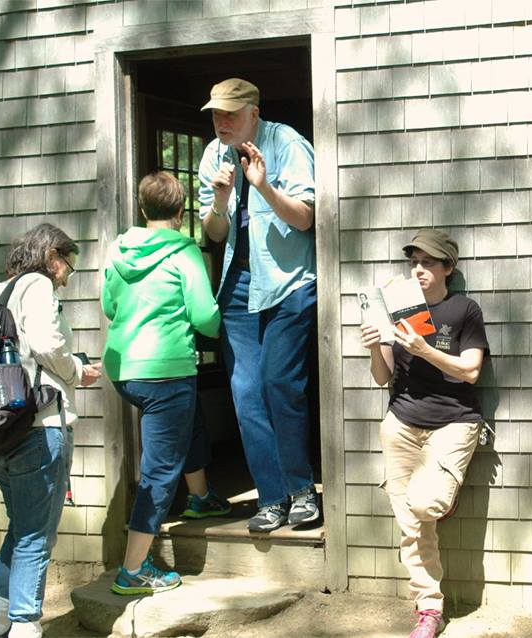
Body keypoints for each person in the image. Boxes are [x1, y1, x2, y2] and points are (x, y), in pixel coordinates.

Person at [197, 77, 320, 531]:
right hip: (239, 284)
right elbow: (214, 233)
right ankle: (271, 498)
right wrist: (221, 199)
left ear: (254, 111)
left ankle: (301, 490)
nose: (221, 122)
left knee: (280, 385)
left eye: (229, 113)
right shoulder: (214, 154)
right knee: (246, 394)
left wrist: (264, 187)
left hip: (288, 281)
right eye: (215, 114)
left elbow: (306, 219)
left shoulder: (287, 143)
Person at [101, 171, 228, 595]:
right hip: (166, 370)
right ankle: (133, 569)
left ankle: (200, 497)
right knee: (159, 469)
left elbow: (107, 305)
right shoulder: (184, 251)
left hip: (125, 370)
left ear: (142, 209)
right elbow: (206, 318)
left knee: (184, 425)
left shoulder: (117, 250)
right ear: (180, 210)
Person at [359, 229, 489, 638]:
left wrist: (425, 349)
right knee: (412, 527)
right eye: (414, 262)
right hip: (401, 422)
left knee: (424, 504)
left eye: (429, 263)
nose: (419, 270)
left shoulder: (463, 310)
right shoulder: (397, 309)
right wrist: (375, 344)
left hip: (455, 421)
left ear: (448, 268)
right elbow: (382, 378)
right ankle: (429, 609)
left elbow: (470, 371)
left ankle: (437, 499)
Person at [0, 224, 102, 638]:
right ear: (53, 258)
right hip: (39, 427)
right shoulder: (37, 284)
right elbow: (49, 345)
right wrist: (77, 371)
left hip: (1, 430)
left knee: (19, 529)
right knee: (36, 536)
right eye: (68, 266)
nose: (67, 277)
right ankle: (26, 626)